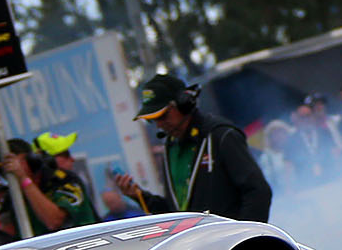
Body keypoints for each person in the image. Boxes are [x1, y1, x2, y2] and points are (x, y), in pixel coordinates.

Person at [114, 73, 272, 222]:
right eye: (152, 120)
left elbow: (258, 191)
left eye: (162, 116)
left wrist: (243, 236)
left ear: (184, 103)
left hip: (228, 239)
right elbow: (176, 213)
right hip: (198, 241)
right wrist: (141, 197)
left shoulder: (221, 135)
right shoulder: (170, 148)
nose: (159, 125)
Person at [3, 130, 99, 231]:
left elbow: (55, 222)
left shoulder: (65, 180)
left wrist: (24, 180)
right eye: (65, 154)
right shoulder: (12, 194)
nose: (72, 159)